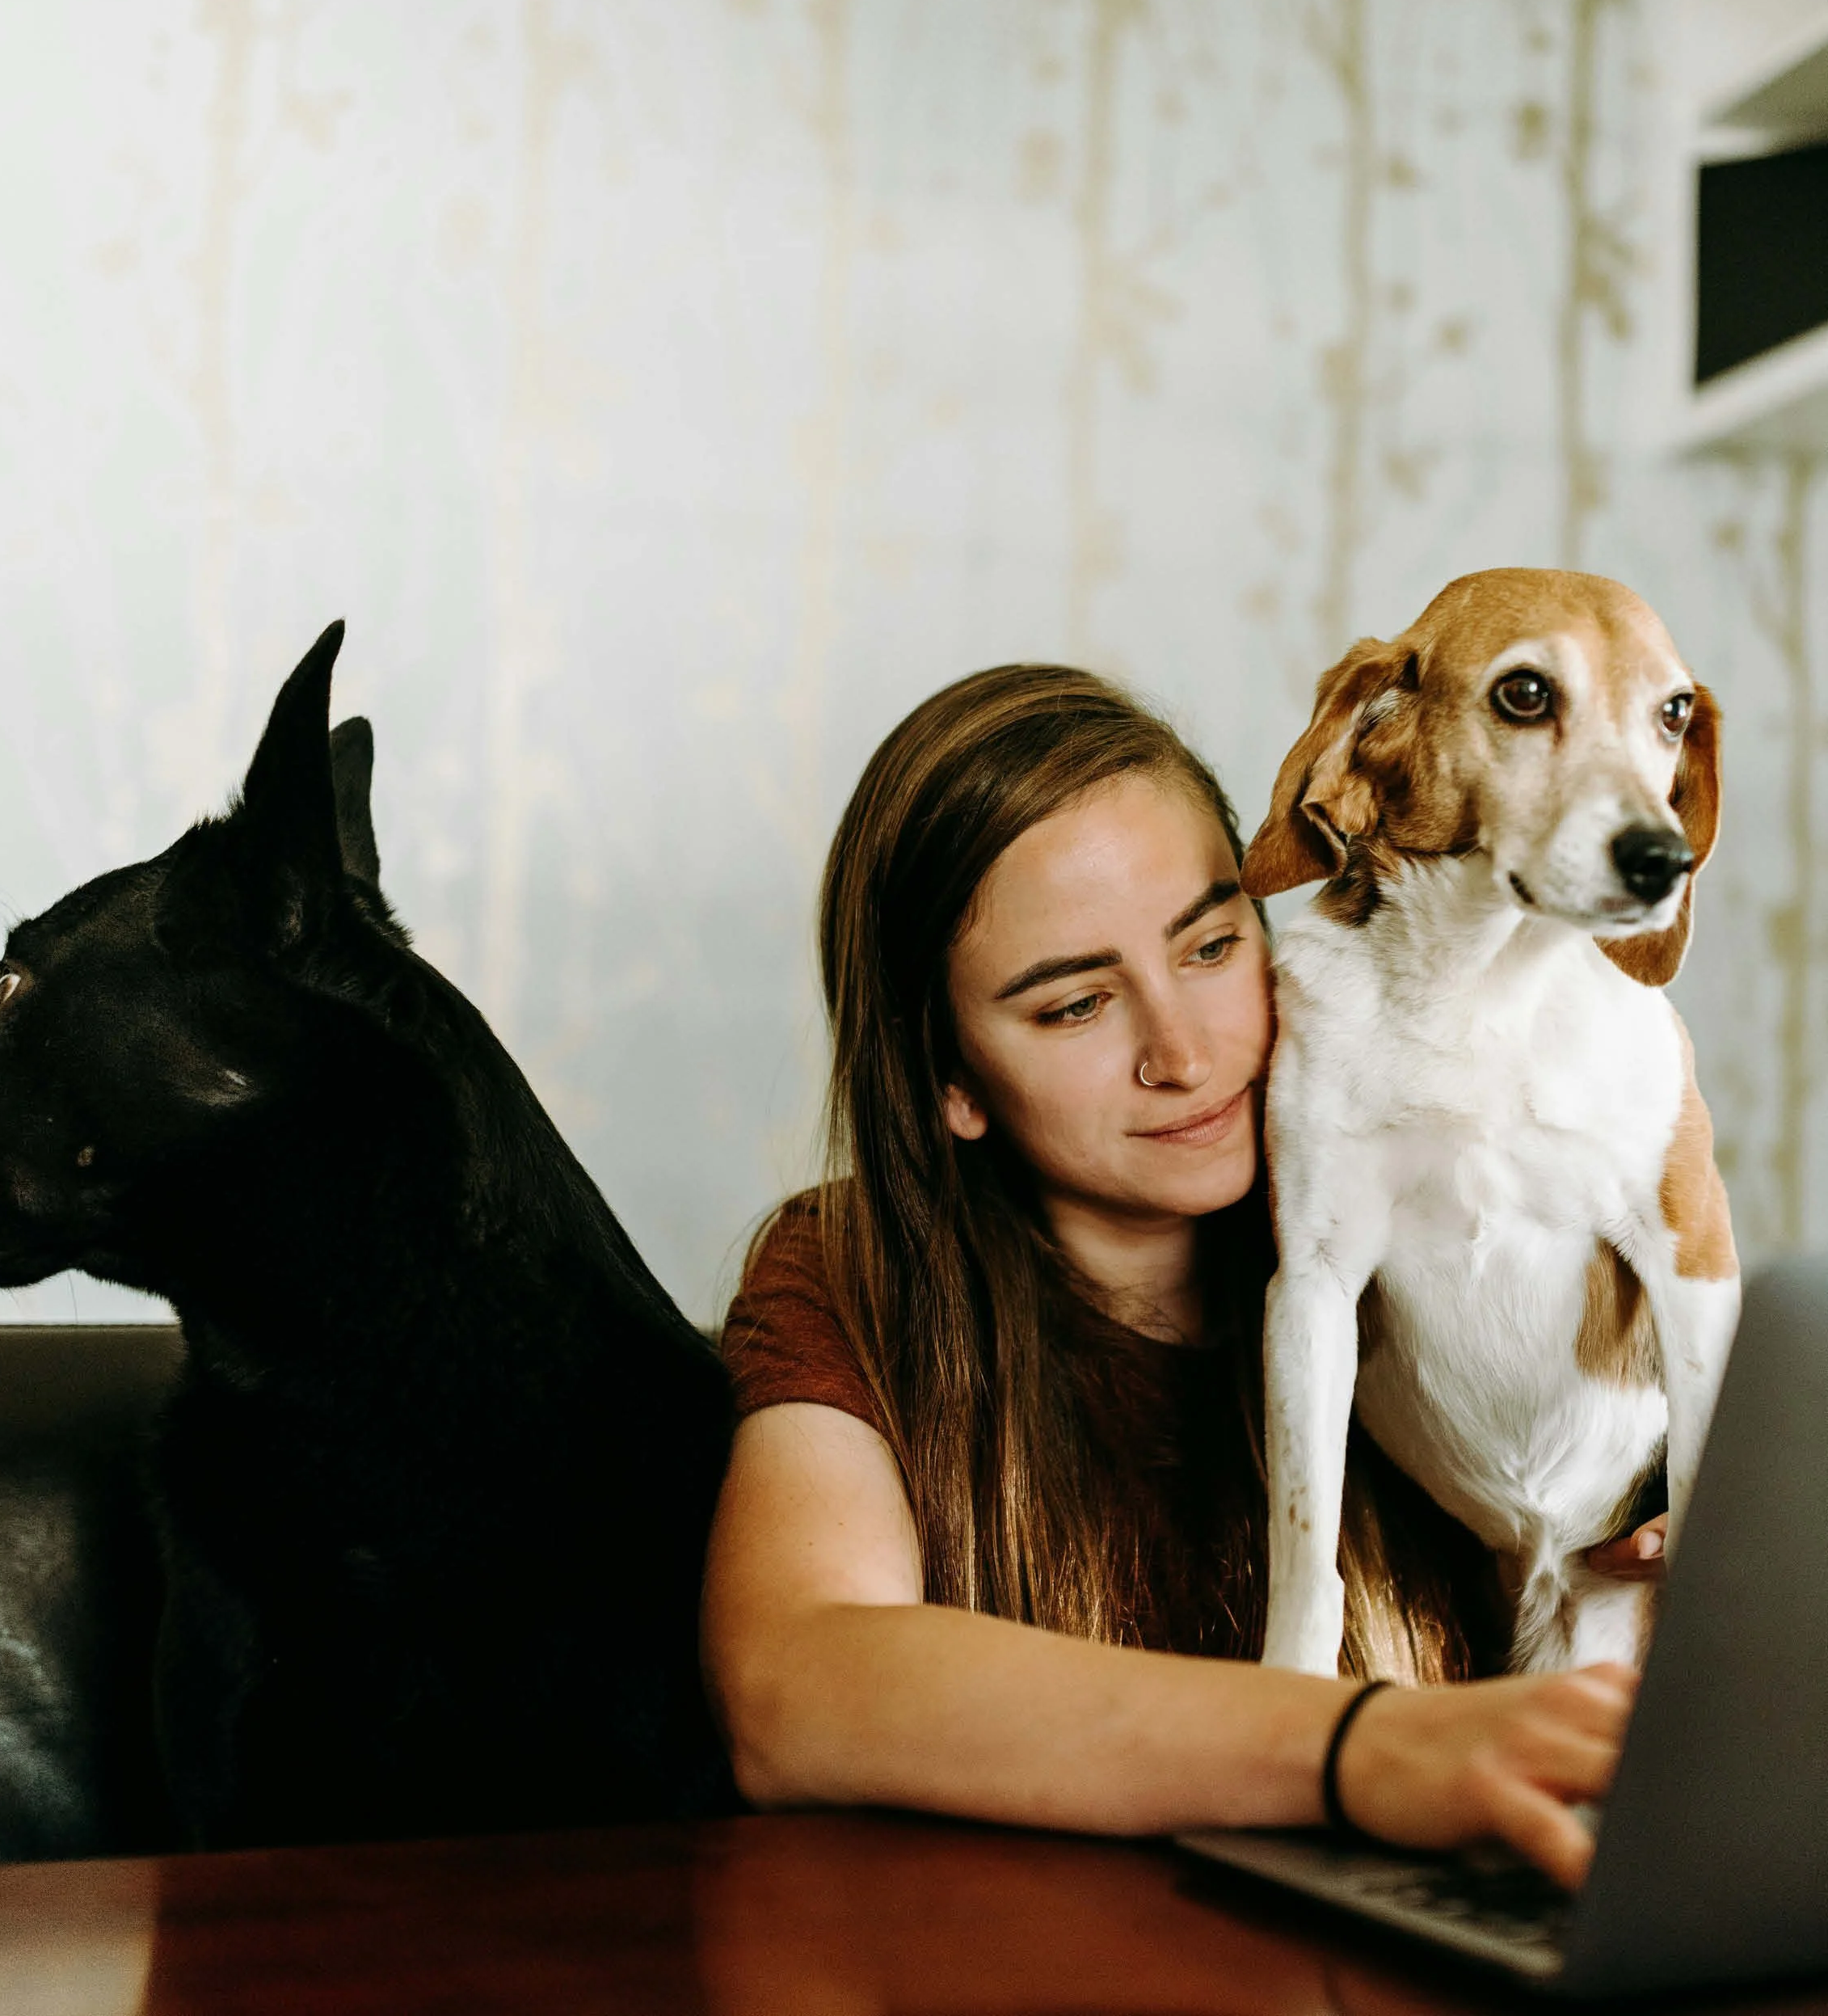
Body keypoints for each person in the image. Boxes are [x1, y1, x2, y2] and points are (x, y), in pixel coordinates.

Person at [702, 664, 1664, 1890]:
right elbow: (796, 1688)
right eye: (1076, 1007)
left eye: (1213, 946)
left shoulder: (1443, 1237)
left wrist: (1663, 1557)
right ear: (949, 1079)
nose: (1184, 1051)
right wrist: (1359, 1747)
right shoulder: (850, 1272)